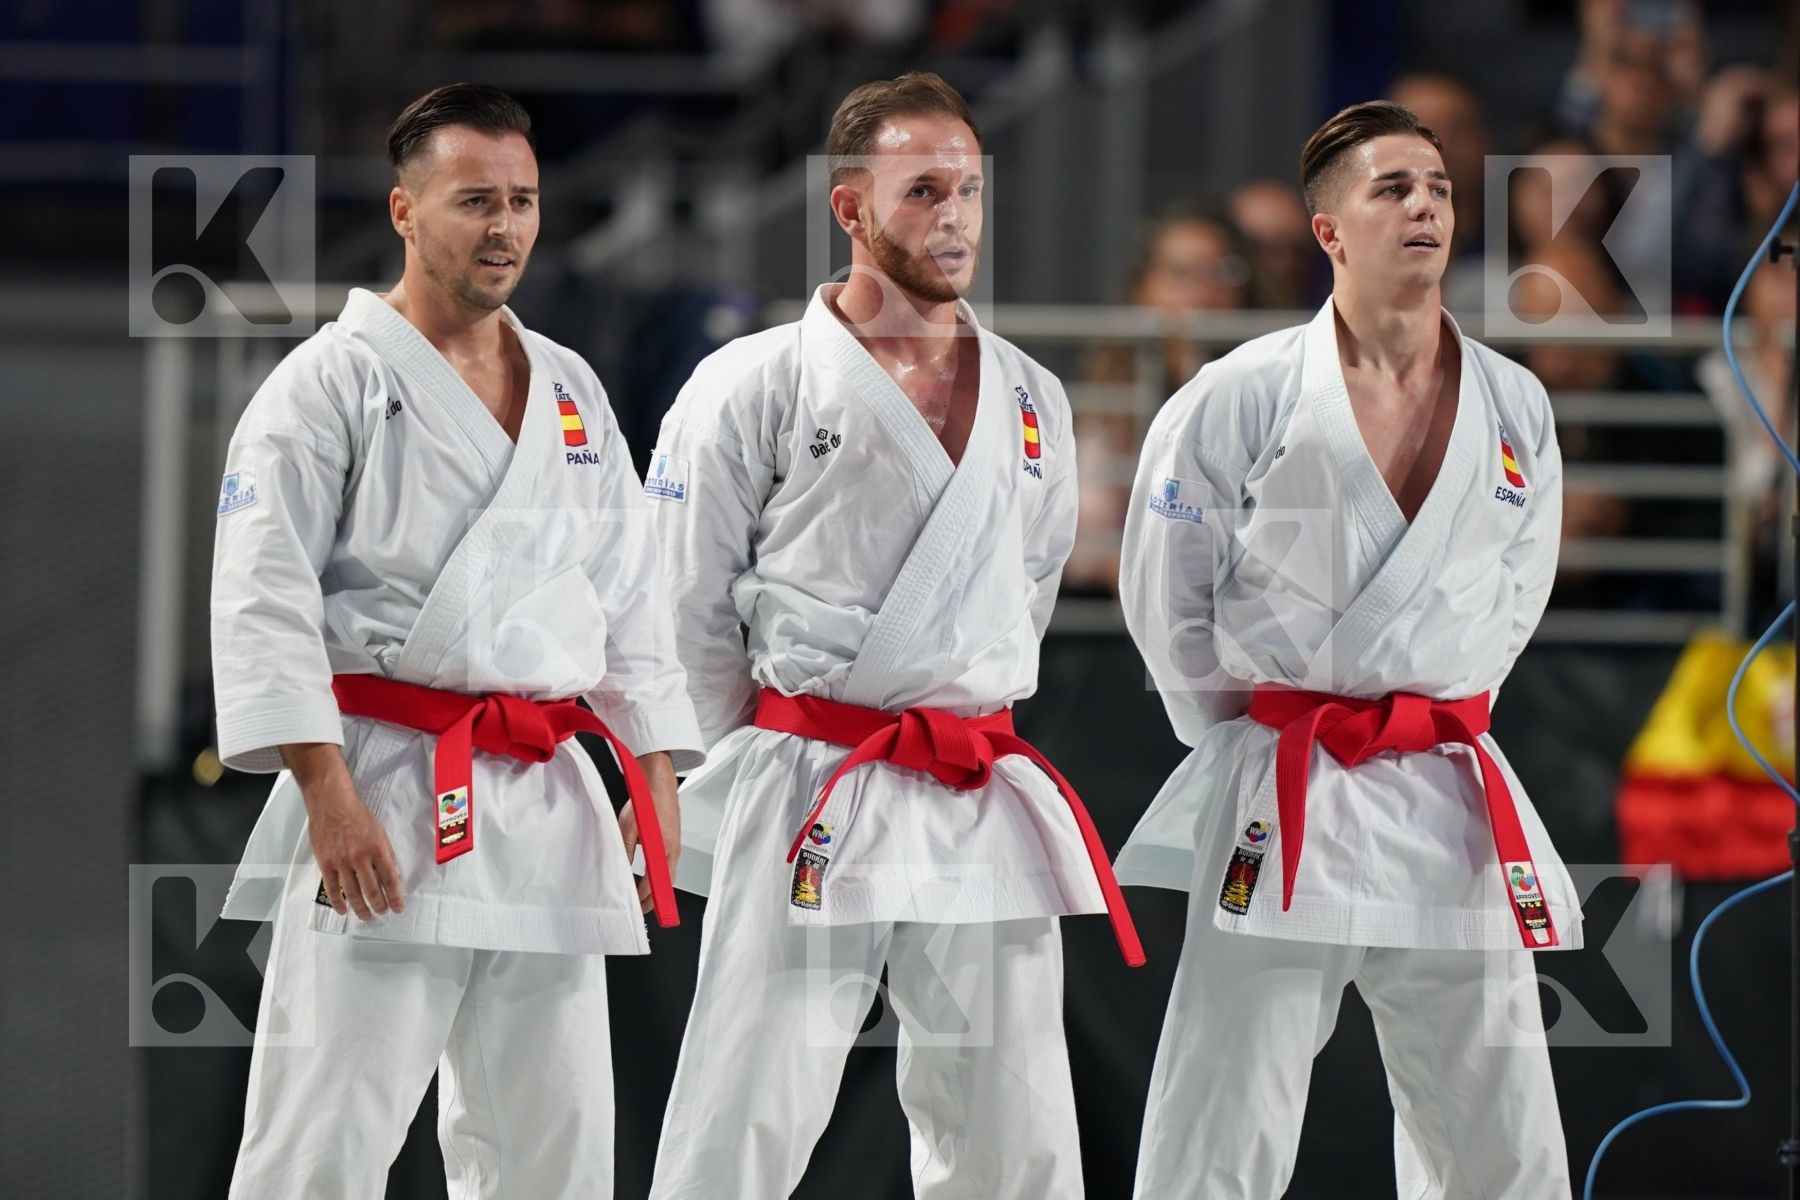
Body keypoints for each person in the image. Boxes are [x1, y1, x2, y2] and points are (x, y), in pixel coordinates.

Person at [643, 71, 1141, 1200]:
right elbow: (684, 600)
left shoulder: (1030, 397)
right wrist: (748, 752)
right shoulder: (749, 383)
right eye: (924, 191)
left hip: (975, 776)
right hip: (812, 768)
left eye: (969, 189)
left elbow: (1026, 584)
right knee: (749, 1100)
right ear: (852, 209)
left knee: (1012, 1125)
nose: (956, 216)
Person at [210, 83, 703, 1198]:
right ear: (404, 210)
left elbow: (629, 594)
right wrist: (327, 797)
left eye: (523, 200)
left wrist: (654, 765)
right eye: (474, 198)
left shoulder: (569, 387)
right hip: (385, 788)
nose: (506, 226)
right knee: (324, 1137)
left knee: (553, 1146)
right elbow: (261, 599)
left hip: (544, 804)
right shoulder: (323, 387)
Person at [1116, 100, 1580, 1199]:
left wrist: (1443, 700)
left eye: (1440, 188)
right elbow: (1165, 602)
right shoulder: (1241, 395)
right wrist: (1240, 741)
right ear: (1330, 230)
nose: (1426, 205)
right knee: (1222, 1111)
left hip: (1447, 788)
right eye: (1393, 189)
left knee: (1497, 1127)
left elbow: (1519, 592)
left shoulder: (1516, 404)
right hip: (1287, 783)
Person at [1066, 203, 1254, 593]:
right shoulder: (1112, 391)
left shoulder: (1266, 383)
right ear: (1143, 289)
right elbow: (1087, 542)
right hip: (1119, 607)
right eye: (1182, 275)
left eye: (1222, 272)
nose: (1205, 292)